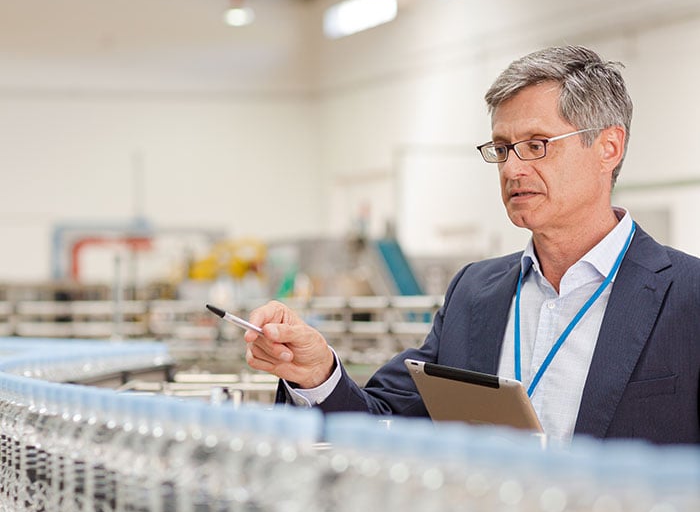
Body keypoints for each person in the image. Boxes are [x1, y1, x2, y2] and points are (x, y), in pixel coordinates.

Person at [244, 45, 700, 445]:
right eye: (502, 148)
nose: (512, 169)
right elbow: (381, 424)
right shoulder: (476, 294)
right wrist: (317, 372)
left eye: (537, 144)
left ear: (609, 147)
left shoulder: (688, 297)